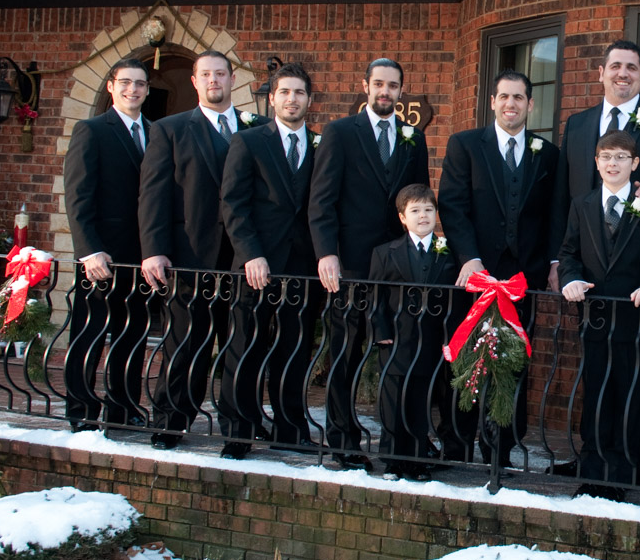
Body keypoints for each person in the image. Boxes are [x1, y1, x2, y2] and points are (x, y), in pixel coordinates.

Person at [308, 57, 429, 469]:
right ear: (366, 86)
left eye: (393, 86)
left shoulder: (414, 137)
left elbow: (417, 199)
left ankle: (399, 442)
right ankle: (343, 439)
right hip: (351, 265)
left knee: (399, 355)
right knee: (345, 352)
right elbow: (321, 199)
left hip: (397, 271)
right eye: (379, 84)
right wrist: (327, 253)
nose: (385, 92)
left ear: (400, 91)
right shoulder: (341, 133)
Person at [437, 69, 560, 465]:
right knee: (466, 357)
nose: (511, 104)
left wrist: (553, 264)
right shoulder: (465, 145)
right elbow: (453, 206)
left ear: (530, 104)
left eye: (519, 98)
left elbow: (555, 215)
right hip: (475, 276)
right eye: (504, 97)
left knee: (512, 361)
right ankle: (457, 445)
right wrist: (469, 258)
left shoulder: (548, 154)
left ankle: (501, 449)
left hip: (523, 280)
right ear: (492, 102)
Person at [139, 50, 259, 449]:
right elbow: (154, 194)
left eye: (221, 74)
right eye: (206, 74)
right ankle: (171, 421)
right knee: (185, 342)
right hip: (191, 256)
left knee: (239, 347)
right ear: (194, 81)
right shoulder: (170, 129)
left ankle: (238, 430)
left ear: (231, 79)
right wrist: (154, 249)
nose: (214, 81)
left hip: (241, 258)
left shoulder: (254, 128)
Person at [558, 130, 640, 502]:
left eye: (621, 157)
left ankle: (628, 470)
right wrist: (571, 279)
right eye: (606, 157)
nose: (613, 163)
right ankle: (593, 472)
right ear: (596, 162)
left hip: (634, 318)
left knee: (632, 393)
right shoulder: (583, 204)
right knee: (596, 393)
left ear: (634, 164)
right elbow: (570, 253)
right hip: (593, 318)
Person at [218, 63, 321, 460]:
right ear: (272, 98)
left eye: (299, 93)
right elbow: (233, 204)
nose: (292, 99)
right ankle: (238, 431)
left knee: (294, 349)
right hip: (254, 265)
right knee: (245, 348)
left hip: (301, 267)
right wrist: (250, 254)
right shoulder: (248, 142)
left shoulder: (319, 144)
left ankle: (289, 428)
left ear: (309, 100)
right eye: (285, 92)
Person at [62, 57, 152, 433]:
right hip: (100, 255)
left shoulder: (156, 132)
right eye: (126, 82)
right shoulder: (92, 130)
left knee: (132, 334)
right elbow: (78, 195)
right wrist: (89, 250)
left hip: (142, 256)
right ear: (112, 86)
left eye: (141, 84)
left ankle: (124, 406)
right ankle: (81, 409)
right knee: (91, 332)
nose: (133, 89)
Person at [555, 39, 640, 236]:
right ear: (601, 73)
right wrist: (556, 258)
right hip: (581, 249)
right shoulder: (576, 125)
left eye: (631, 68)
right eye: (615, 66)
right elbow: (560, 194)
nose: (623, 73)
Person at [366, 184, 458, 479]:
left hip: (431, 340)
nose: (423, 216)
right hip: (396, 338)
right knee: (394, 399)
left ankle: (416, 462)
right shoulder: (385, 252)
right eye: (415, 211)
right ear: (403, 217)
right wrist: (380, 330)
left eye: (428, 210)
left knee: (420, 400)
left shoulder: (449, 252)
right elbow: (375, 296)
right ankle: (393, 460)